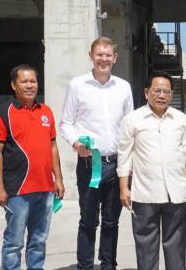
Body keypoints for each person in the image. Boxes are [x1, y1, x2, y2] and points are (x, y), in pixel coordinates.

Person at [60, 37, 134, 270]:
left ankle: (108, 264)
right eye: (99, 54)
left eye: (108, 55)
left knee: (112, 221)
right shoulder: (77, 85)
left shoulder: (123, 87)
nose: (104, 59)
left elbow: (129, 125)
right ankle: (85, 266)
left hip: (116, 163)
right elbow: (65, 123)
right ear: (90, 56)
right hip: (89, 163)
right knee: (88, 220)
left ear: (115, 58)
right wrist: (75, 144)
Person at [0, 64, 65, 270]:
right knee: (14, 243)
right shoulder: (2, 113)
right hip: (18, 191)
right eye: (24, 81)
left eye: (33, 81)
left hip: (46, 189)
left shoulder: (46, 111)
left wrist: (58, 178)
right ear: (14, 85)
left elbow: (53, 146)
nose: (30, 85)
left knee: (39, 241)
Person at [116, 72, 186, 270]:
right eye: (157, 91)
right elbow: (124, 155)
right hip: (144, 193)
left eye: (166, 92)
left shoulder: (180, 119)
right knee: (145, 246)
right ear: (146, 93)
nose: (162, 95)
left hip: (176, 192)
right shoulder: (132, 119)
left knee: (176, 245)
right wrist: (123, 187)